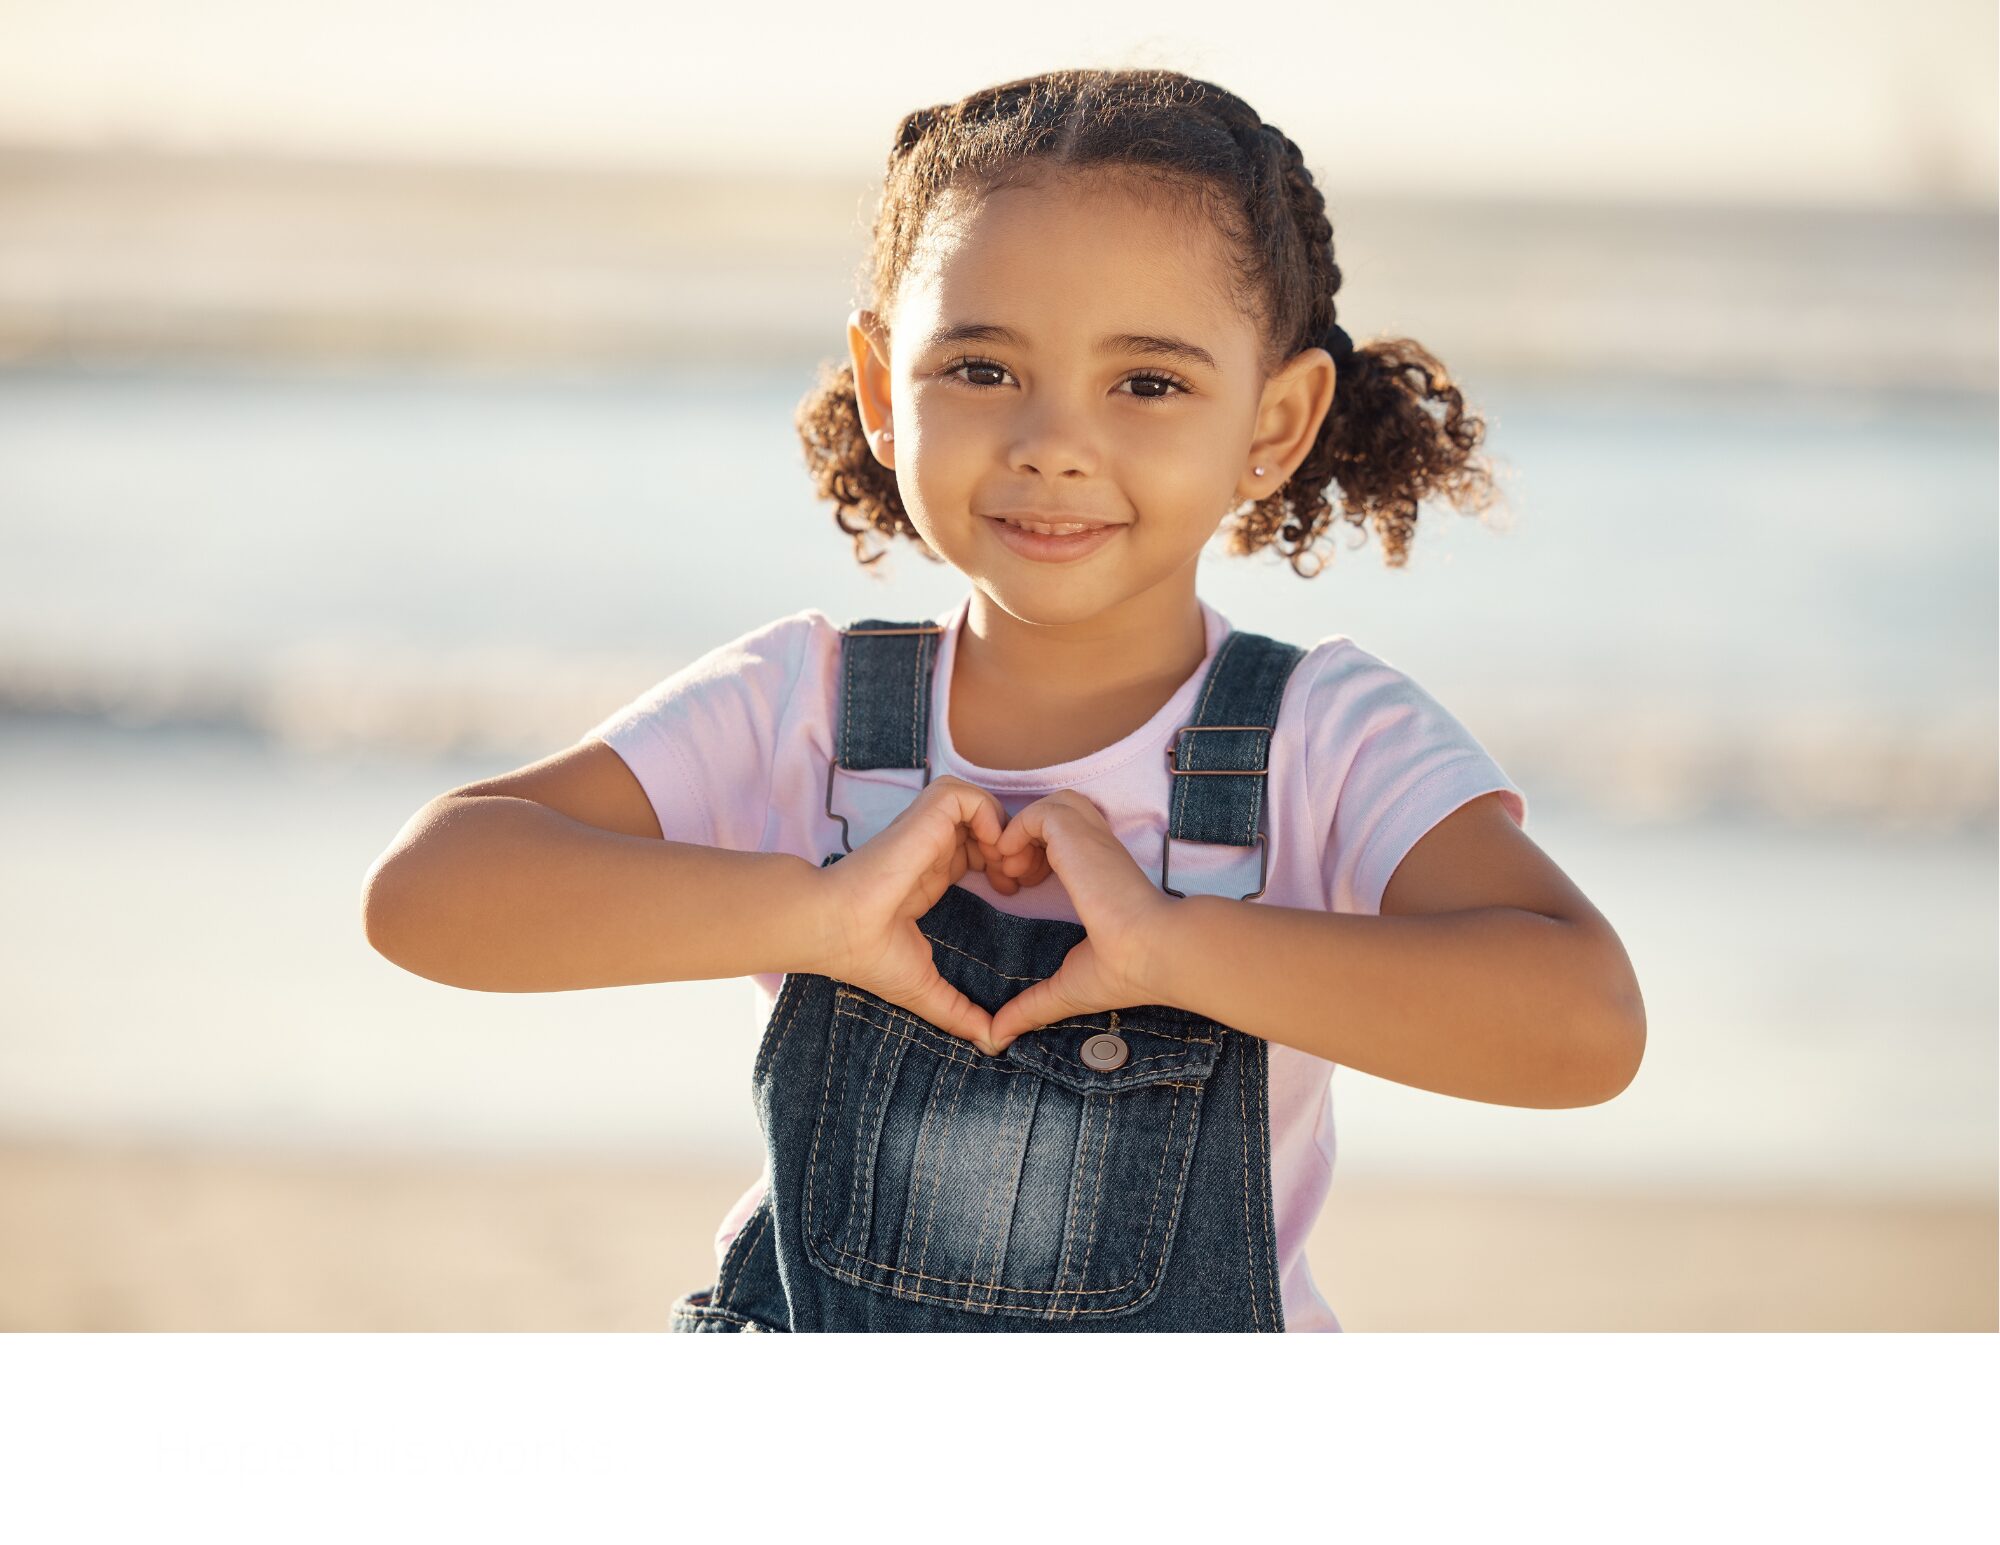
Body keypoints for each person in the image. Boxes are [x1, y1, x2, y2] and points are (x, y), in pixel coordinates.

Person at [361, 67, 1646, 1332]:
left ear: (1273, 419)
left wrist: (1174, 946)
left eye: (1146, 383)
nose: (1050, 440)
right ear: (880, 386)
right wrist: (816, 912)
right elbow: (429, 897)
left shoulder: (1325, 740)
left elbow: (1581, 1029)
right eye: (979, 369)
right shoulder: (801, 707)